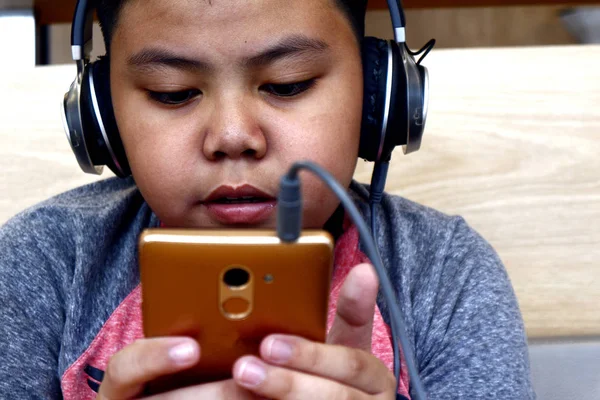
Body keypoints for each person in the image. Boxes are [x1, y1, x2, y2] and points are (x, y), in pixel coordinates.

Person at [0, 0, 535, 399]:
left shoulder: (445, 274)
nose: (233, 136)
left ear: (380, 97)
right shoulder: (42, 265)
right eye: (172, 92)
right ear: (102, 117)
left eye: (288, 83)